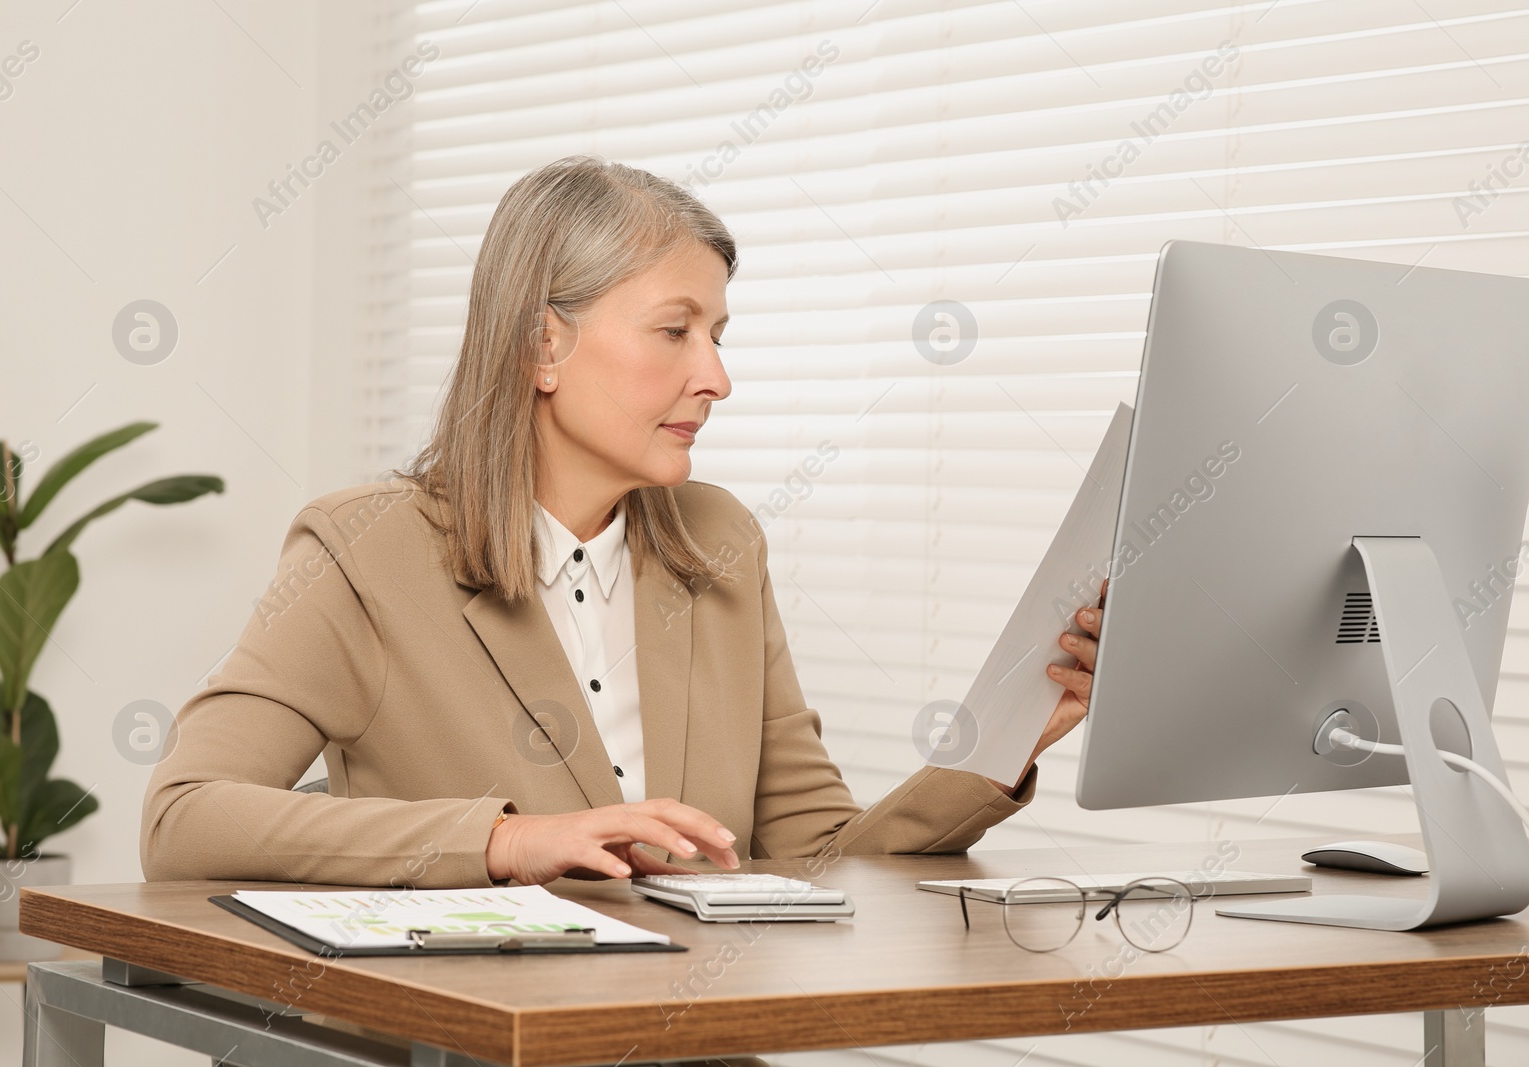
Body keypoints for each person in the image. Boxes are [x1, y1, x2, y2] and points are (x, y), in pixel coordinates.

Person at [139, 156, 1105, 892]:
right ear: (541, 342)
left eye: (719, 337)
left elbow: (816, 856)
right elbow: (183, 820)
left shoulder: (721, 545)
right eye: (675, 330)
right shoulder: (365, 554)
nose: (716, 377)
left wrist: (1009, 737)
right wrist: (506, 838)